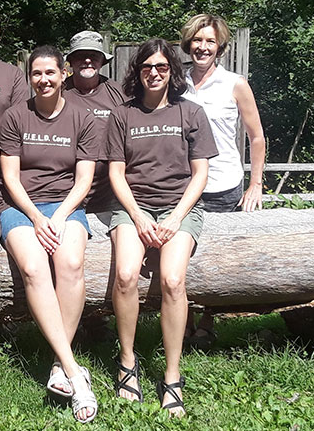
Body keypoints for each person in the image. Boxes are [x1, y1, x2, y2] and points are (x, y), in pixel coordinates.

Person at [106, 38, 218, 417]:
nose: (154, 73)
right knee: (124, 275)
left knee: (172, 280)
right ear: (137, 72)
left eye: (162, 67)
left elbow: (201, 173)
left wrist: (173, 219)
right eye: (147, 67)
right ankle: (127, 363)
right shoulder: (123, 115)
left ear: (172, 71)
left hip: (179, 207)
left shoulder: (191, 113)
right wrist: (138, 217)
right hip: (132, 207)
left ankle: (172, 376)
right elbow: (116, 172)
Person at [0, 45, 98, 423]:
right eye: (37, 74)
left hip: (67, 205)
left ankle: (59, 363)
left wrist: (61, 214)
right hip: (19, 208)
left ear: (63, 75)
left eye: (50, 73)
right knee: (36, 269)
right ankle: (75, 371)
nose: (43, 80)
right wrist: (38, 218)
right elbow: (10, 176)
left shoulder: (82, 117)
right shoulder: (14, 116)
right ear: (30, 77)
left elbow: (84, 179)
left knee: (70, 263)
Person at [180, 14, 267, 347]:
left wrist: (255, 183)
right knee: (183, 253)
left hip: (222, 184)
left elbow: (256, 137)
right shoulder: (177, 82)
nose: (203, 47)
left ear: (220, 47)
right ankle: (184, 318)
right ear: (189, 43)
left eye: (210, 42)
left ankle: (207, 320)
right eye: (198, 41)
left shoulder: (235, 83)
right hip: (184, 183)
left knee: (215, 255)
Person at [64, 31, 127, 215]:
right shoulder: (58, 93)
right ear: (72, 60)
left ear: (102, 60)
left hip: (110, 195)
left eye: (94, 56)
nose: (88, 61)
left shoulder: (118, 93)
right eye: (81, 56)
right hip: (66, 193)